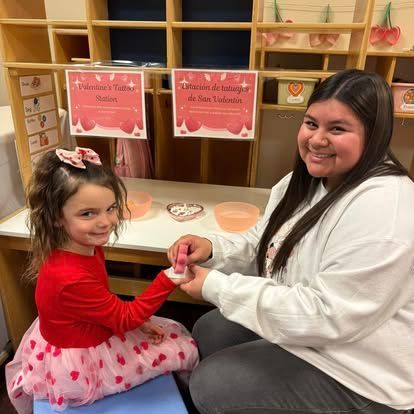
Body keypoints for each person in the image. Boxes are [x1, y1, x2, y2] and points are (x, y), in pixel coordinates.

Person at [168, 69, 414, 414]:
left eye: (337, 129)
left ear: (374, 135)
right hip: (317, 335)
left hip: (361, 371)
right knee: (212, 329)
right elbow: (269, 243)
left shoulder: (385, 208)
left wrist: (216, 287)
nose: (316, 139)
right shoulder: (307, 180)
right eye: (311, 123)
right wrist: (212, 250)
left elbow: (327, 315)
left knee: (212, 384)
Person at [6, 147, 199, 413]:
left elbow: (100, 306)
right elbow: (123, 318)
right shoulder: (70, 277)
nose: (106, 221)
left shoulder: (81, 245)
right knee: (184, 347)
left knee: (172, 329)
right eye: (88, 214)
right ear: (56, 218)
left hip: (82, 332)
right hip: (82, 363)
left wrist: (138, 321)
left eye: (111, 208)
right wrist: (169, 278)